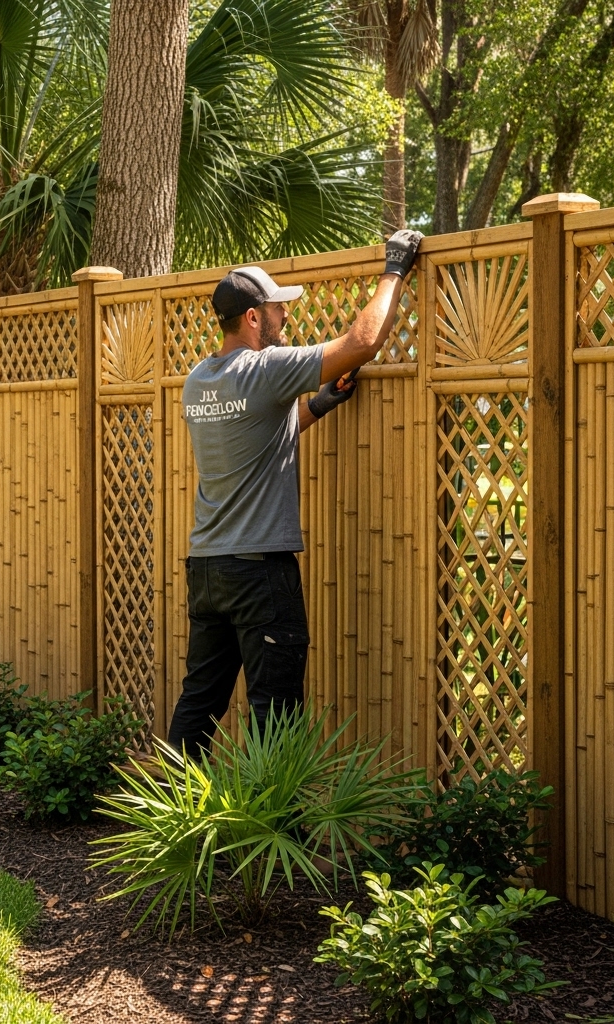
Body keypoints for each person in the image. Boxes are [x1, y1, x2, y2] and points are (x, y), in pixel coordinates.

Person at [167, 231, 424, 757]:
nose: (287, 318)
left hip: (209, 569)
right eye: (278, 309)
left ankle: (172, 823)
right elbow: (361, 343)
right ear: (254, 318)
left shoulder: (199, 380)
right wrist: (395, 269)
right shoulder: (265, 369)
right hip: (261, 572)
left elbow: (256, 439)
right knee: (275, 713)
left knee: (200, 701)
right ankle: (276, 833)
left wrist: (319, 404)